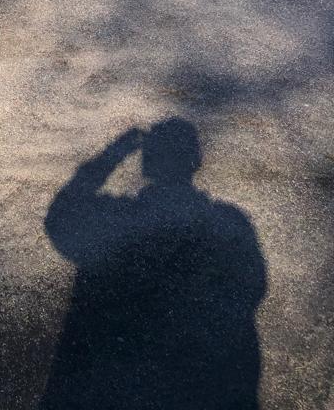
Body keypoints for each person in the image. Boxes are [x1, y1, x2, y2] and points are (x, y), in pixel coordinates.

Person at [42, 119, 267, 409]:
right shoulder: (227, 225)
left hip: (110, 390)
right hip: (202, 390)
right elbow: (253, 287)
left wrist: (112, 155)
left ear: (146, 164)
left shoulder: (114, 221)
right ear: (195, 161)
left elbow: (60, 217)